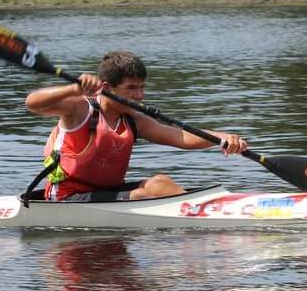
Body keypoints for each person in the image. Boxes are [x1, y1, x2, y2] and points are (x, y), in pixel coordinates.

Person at [25, 51, 247, 201]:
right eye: (132, 88)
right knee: (148, 193)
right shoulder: (82, 110)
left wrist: (222, 137)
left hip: (108, 194)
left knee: (161, 182)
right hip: (67, 198)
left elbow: (179, 136)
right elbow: (33, 103)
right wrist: (73, 89)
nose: (140, 96)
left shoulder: (133, 119)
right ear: (106, 88)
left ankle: (205, 213)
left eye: (142, 87)